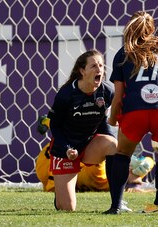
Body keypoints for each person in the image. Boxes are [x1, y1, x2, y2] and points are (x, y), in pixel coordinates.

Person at [103, 11, 158, 214]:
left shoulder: (123, 53)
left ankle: (116, 206)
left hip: (135, 110)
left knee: (122, 153)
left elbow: (118, 95)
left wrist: (113, 119)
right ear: (151, 29)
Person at [47, 49, 118, 211]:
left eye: (101, 65)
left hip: (89, 145)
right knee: (67, 208)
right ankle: (61, 195)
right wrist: (66, 148)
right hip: (65, 150)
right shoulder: (66, 94)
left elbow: (104, 120)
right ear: (82, 71)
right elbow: (55, 126)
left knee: (113, 145)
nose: (99, 69)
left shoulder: (107, 91)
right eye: (93, 66)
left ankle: (117, 203)